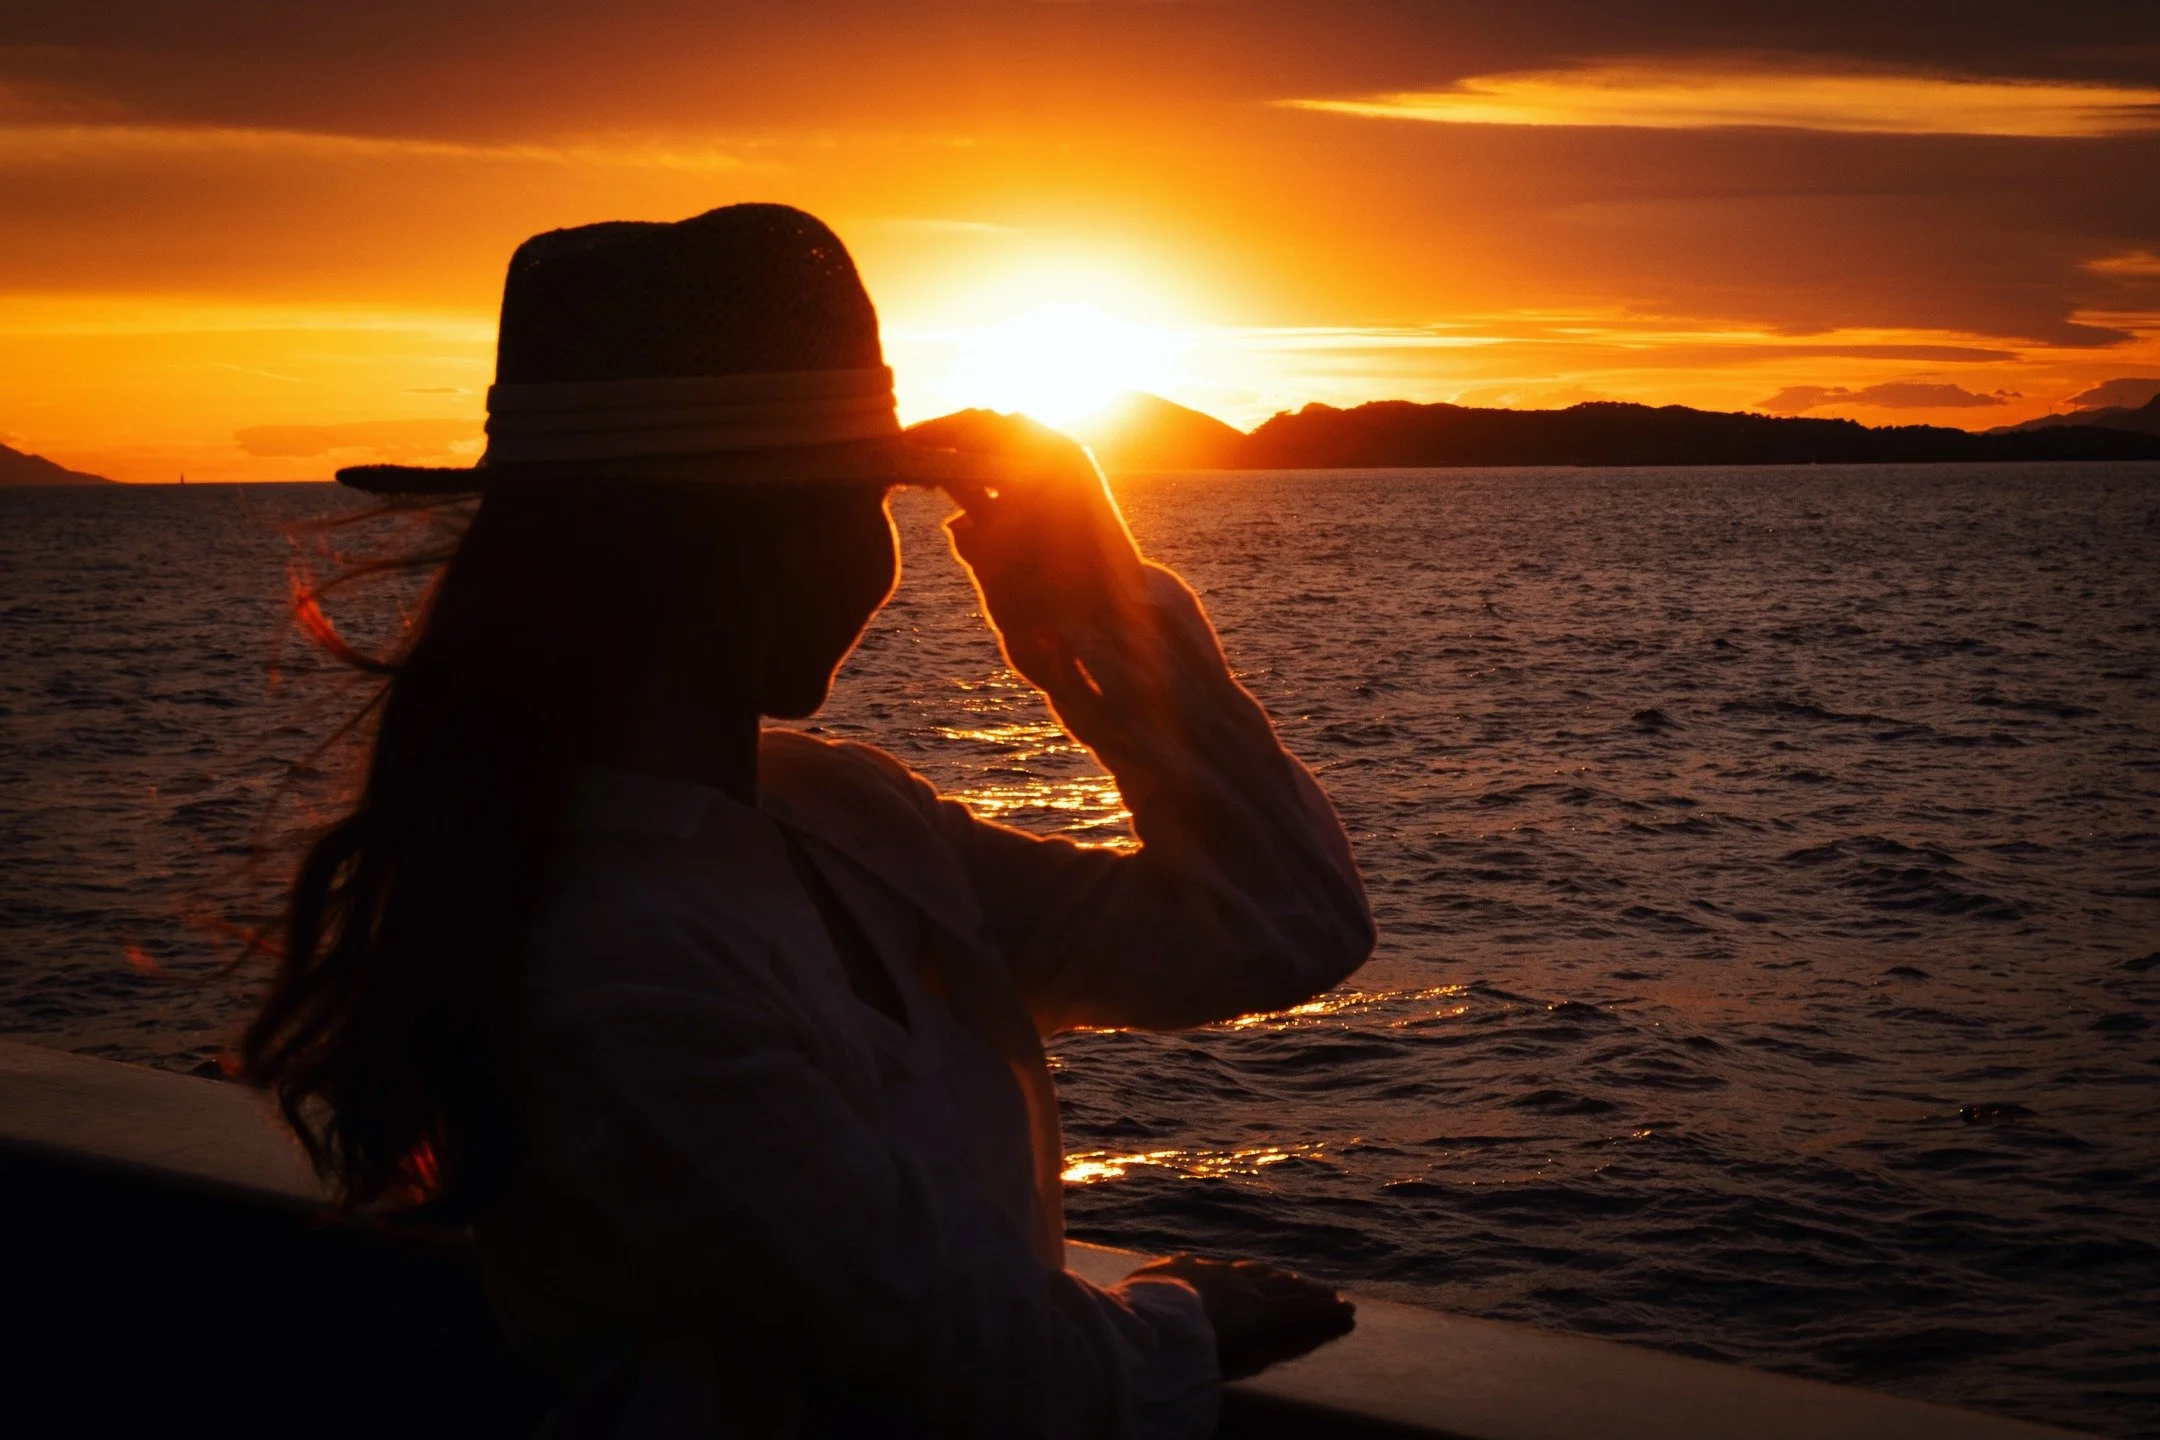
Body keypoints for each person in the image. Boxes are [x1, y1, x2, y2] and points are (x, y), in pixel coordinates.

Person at [245, 203, 1374, 1437]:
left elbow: (1279, 925)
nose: (886, 554)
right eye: (867, 501)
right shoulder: (615, 956)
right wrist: (1184, 1323)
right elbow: (978, 1368)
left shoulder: (841, 815)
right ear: (763, 547)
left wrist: (1104, 629)